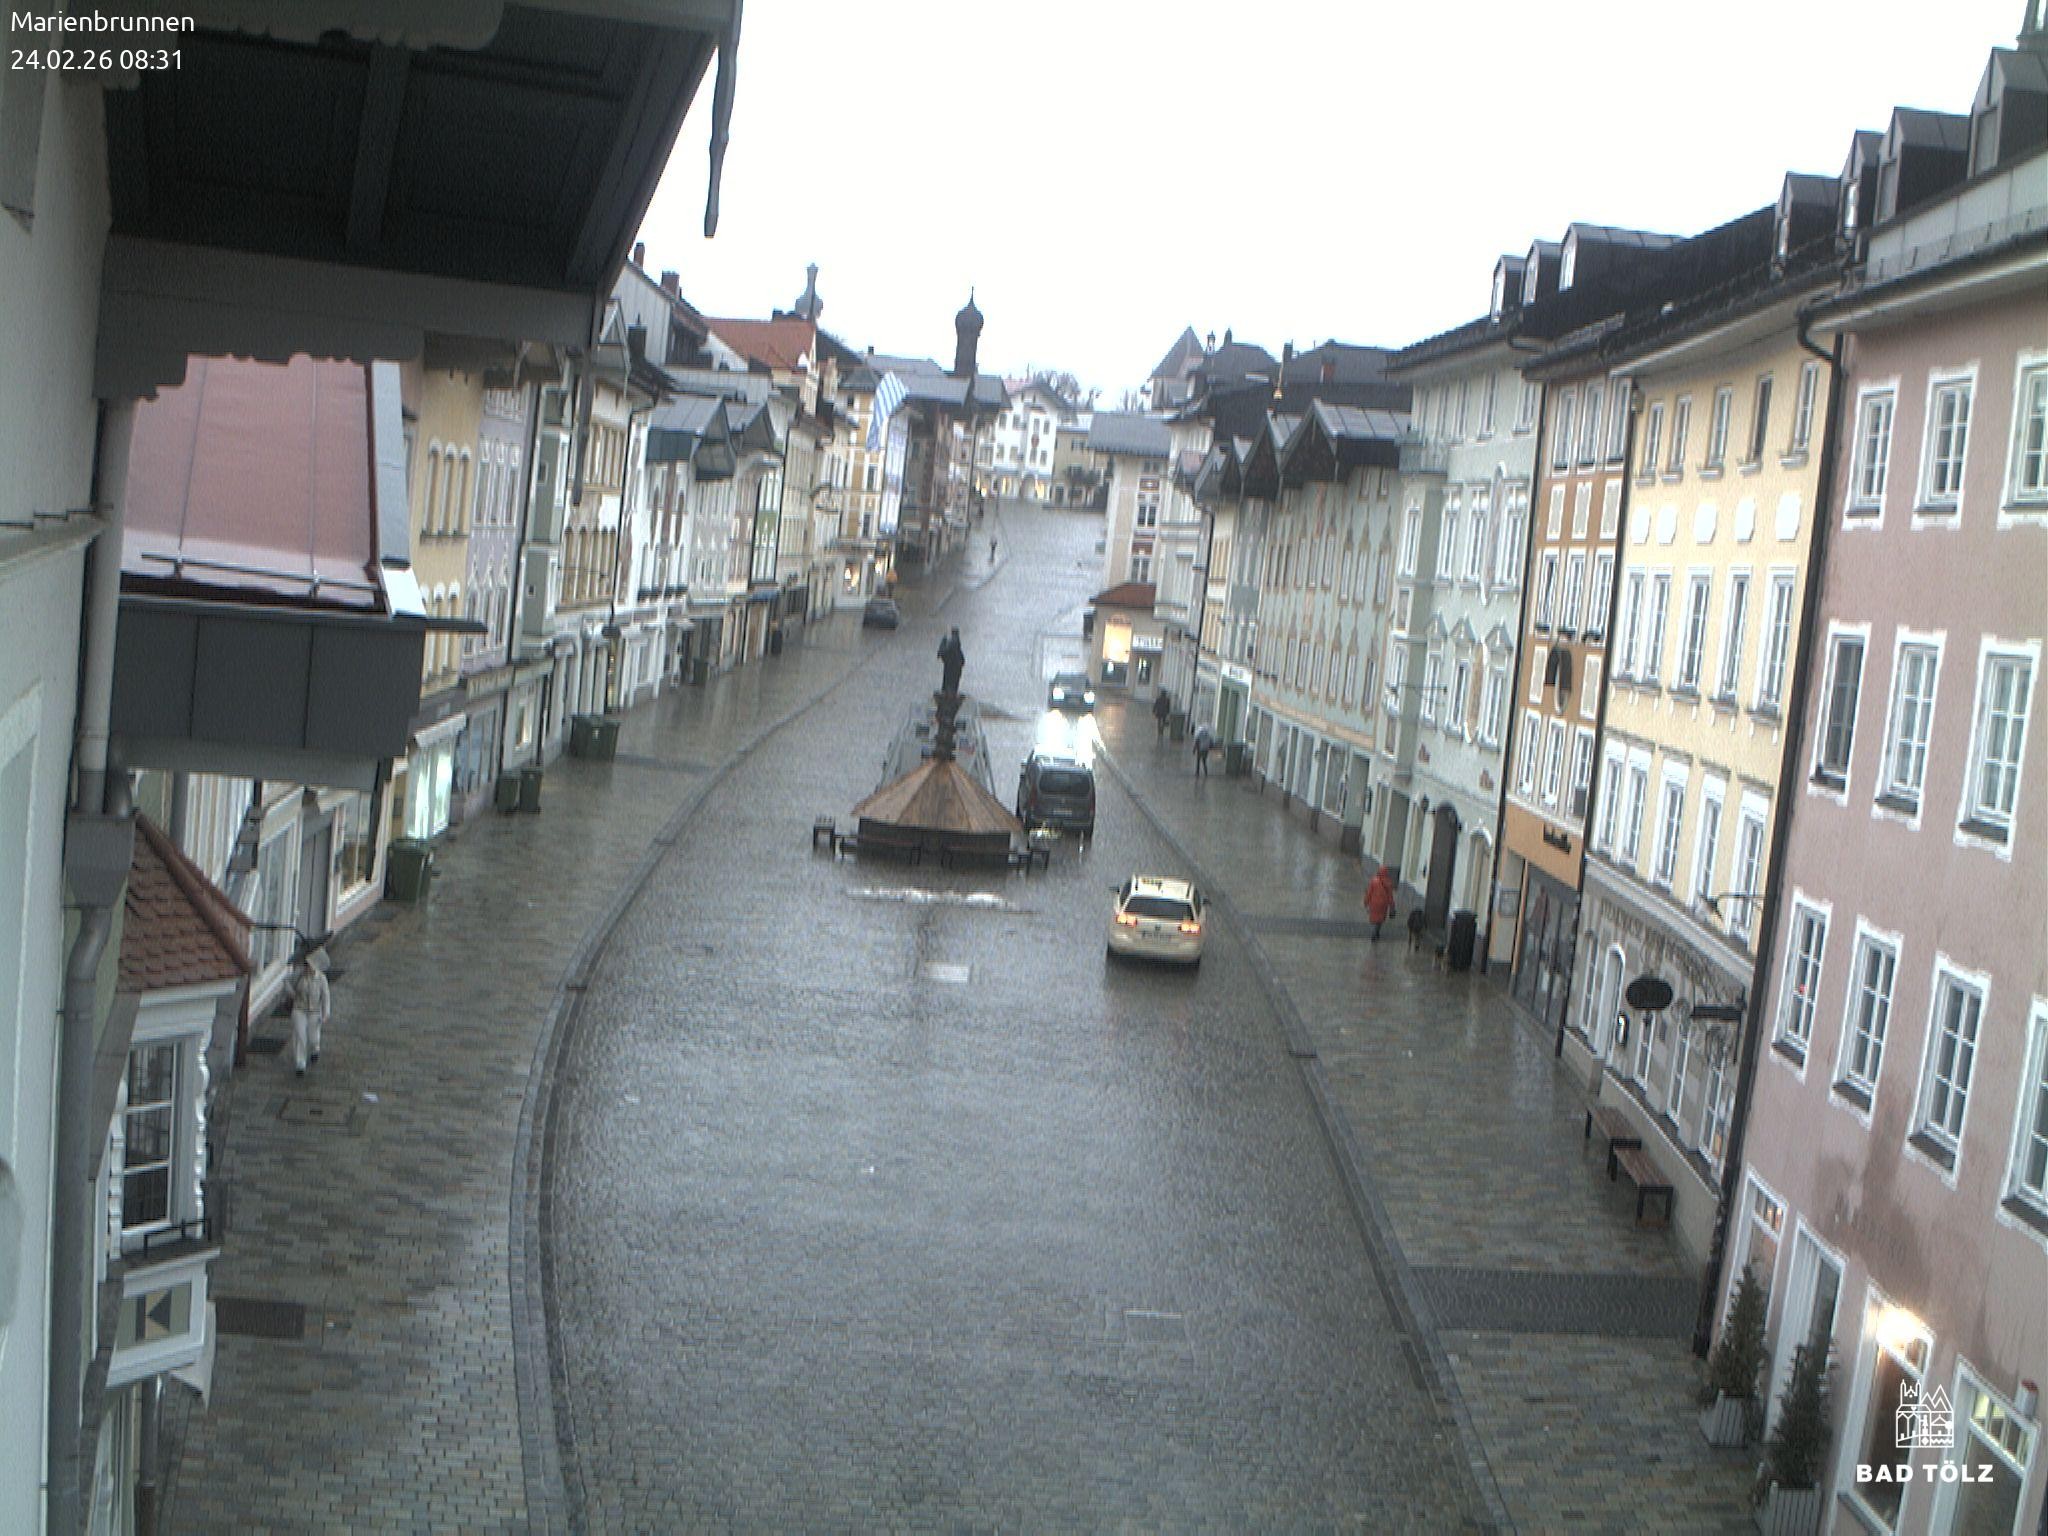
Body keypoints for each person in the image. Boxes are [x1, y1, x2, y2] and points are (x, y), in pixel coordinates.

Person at [291, 945, 332, 1076]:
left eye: (309, 964)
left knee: (313, 1037)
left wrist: (326, 1013)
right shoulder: (299, 975)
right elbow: (286, 983)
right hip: (299, 1009)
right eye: (306, 964)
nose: (307, 967)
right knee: (300, 1035)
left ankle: (315, 1049)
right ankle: (300, 1062)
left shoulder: (321, 979)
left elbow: (326, 997)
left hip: (315, 1011)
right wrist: (292, 993)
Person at [1363, 866, 1396, 942]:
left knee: (1374, 918)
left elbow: (1369, 893)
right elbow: (1390, 896)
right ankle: (1377, 931)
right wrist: (1392, 905)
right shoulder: (1389, 882)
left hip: (1374, 903)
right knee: (1380, 919)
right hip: (1383, 904)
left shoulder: (1374, 881)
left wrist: (1366, 902)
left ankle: (1374, 932)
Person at [937, 627, 966, 696]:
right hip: (953, 666)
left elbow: (957, 653)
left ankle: (948, 692)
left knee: (950, 680)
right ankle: (950, 693)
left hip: (951, 666)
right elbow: (957, 653)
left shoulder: (952, 642)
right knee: (952, 680)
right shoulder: (954, 642)